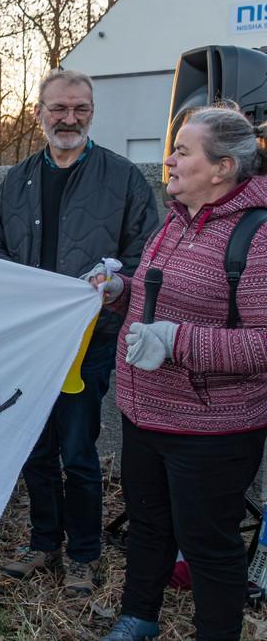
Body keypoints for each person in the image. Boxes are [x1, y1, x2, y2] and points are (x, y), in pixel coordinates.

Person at [0, 69, 158, 595]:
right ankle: (41, 541)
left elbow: (147, 253)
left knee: (78, 452)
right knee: (34, 449)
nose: (69, 118)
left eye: (80, 108)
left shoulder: (122, 178)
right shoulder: (16, 181)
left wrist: (118, 282)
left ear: (92, 113)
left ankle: (83, 552)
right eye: (59, 108)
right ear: (39, 113)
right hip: (31, 345)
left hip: (89, 342)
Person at [94, 104, 267, 641]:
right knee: (148, 527)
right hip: (145, 415)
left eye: (183, 151)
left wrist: (177, 341)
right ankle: (138, 618)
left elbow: (263, 344)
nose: (168, 161)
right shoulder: (172, 222)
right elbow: (153, 301)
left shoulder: (258, 238)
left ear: (222, 168)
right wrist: (119, 294)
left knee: (210, 545)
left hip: (213, 432)